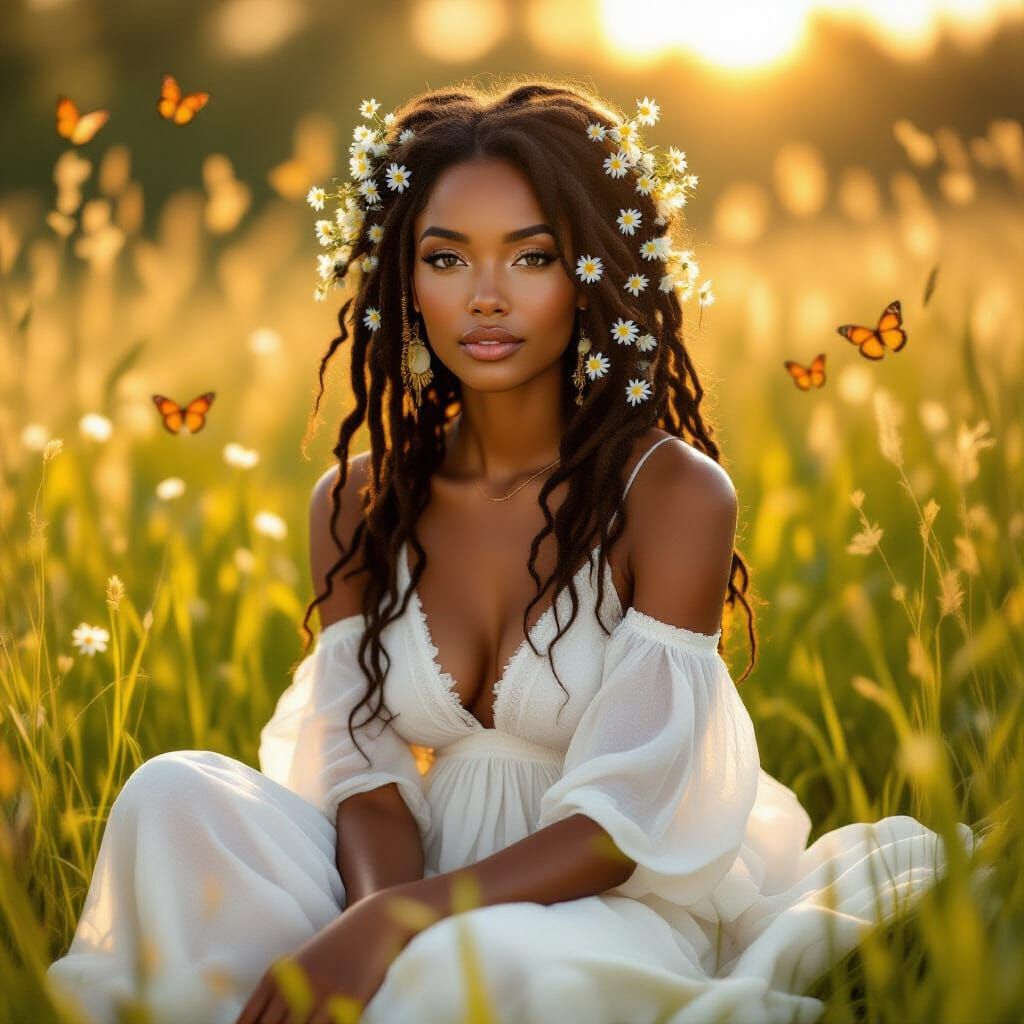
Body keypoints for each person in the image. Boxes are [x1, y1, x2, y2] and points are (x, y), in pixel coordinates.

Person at [46, 80, 980, 1024]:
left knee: (469, 971)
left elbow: (619, 832)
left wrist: (403, 926)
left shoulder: (672, 496)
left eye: (531, 257)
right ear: (403, 280)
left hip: (587, 894)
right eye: (445, 258)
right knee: (171, 794)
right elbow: (361, 774)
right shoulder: (358, 500)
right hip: (400, 872)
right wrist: (376, 912)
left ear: (595, 275)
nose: (485, 298)